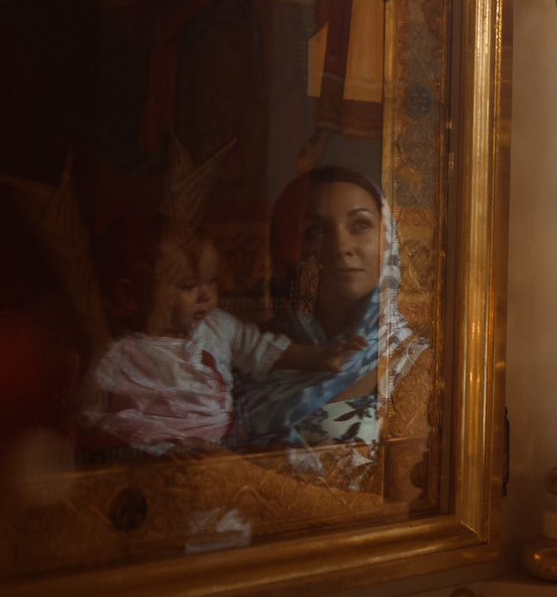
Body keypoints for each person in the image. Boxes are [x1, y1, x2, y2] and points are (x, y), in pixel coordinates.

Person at [78, 215, 357, 453]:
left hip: (224, 446)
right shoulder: (120, 355)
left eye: (211, 280)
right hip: (157, 459)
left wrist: (320, 356)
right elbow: (89, 419)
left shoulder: (217, 325)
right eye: (188, 285)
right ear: (130, 294)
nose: (206, 294)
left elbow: (264, 349)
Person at [231, 166, 426, 450]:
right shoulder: (242, 346)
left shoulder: (410, 360)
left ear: (388, 240)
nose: (341, 247)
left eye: (360, 225)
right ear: (289, 250)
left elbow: (405, 491)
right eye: (316, 231)